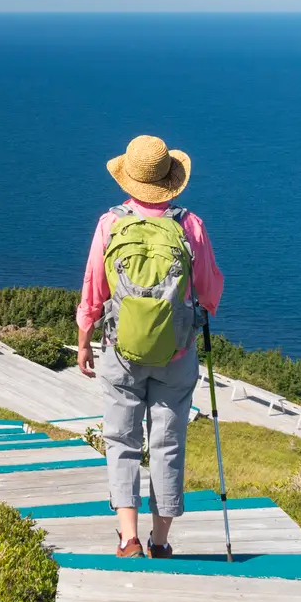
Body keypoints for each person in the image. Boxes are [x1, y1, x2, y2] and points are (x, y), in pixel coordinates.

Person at [76, 134, 224, 558]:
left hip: (119, 349)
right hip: (176, 352)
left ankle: (128, 538)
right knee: (168, 441)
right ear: (169, 179)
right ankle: (161, 540)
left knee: (121, 439)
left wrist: (84, 340)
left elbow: (93, 290)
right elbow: (209, 292)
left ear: (129, 179)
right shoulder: (189, 225)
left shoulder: (110, 224)